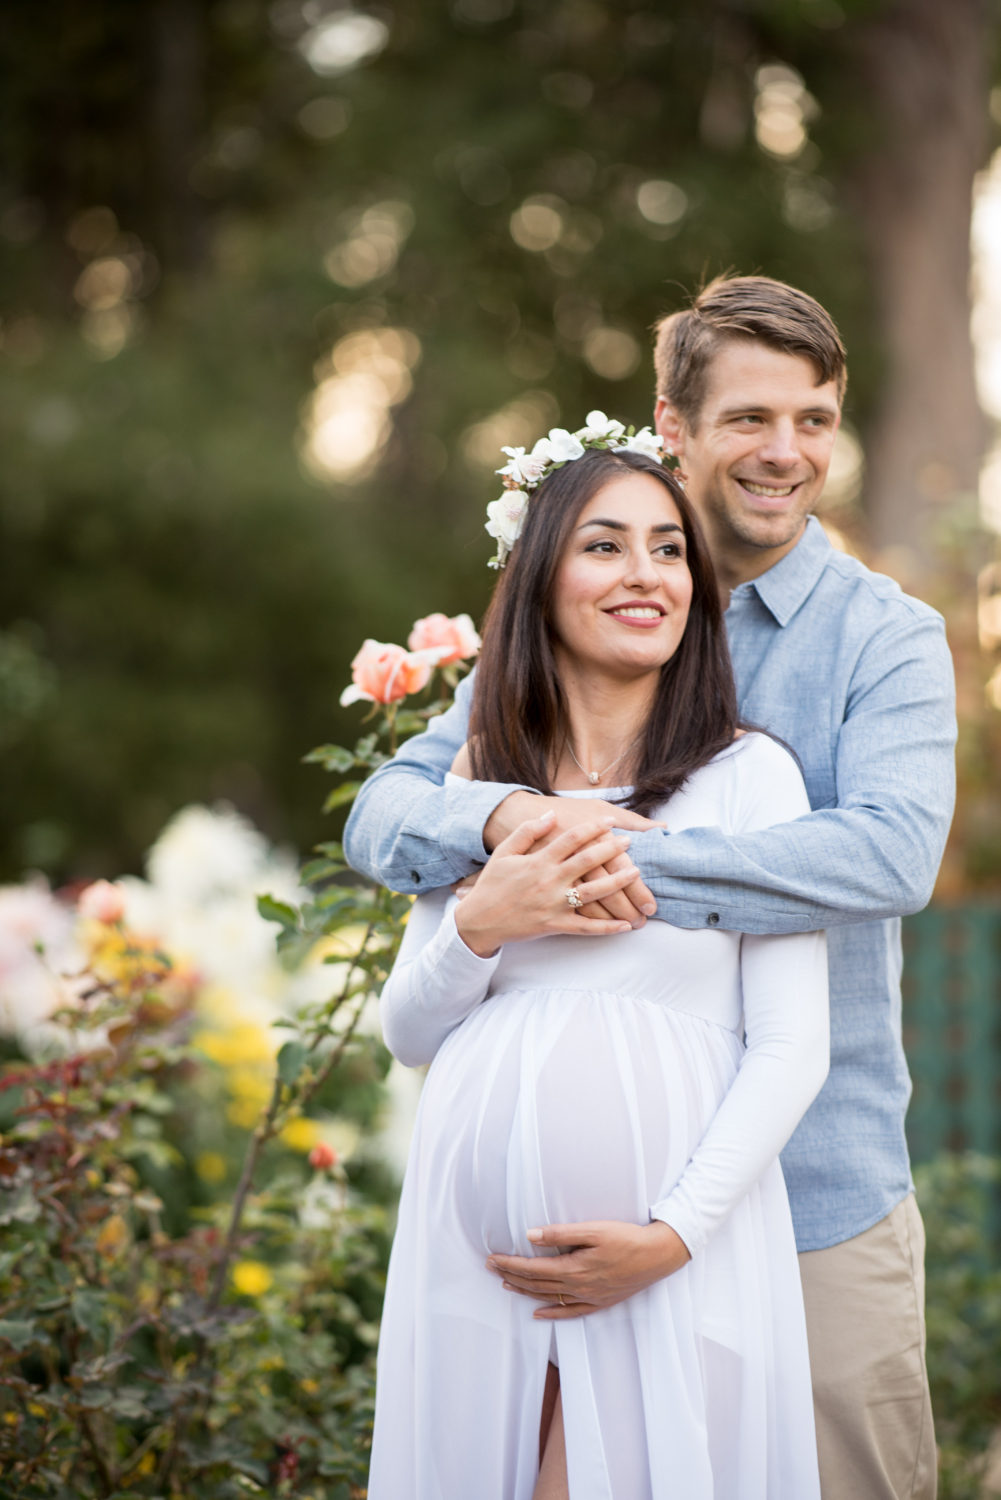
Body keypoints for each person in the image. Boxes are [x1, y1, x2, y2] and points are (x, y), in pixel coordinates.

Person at [344, 275, 957, 1500]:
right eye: (746, 419)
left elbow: (886, 856)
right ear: (671, 427)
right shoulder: (573, 610)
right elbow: (387, 815)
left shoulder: (880, 639)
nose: (783, 454)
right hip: (543, 1246)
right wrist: (511, 819)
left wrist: (602, 857)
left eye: (814, 420)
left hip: (809, 1198)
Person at [365, 428, 829, 1499]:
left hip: (664, 1263)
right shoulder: (481, 784)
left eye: (668, 551)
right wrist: (483, 920)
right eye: (605, 546)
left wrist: (671, 1237)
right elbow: (407, 1032)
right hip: (471, 1271)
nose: (645, 575)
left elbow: (791, 1046)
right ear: (540, 581)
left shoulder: (750, 778)